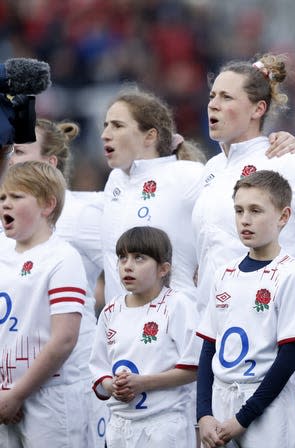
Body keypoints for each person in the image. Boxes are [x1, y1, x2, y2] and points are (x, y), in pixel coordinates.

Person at [191, 52, 295, 442]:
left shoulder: (287, 161)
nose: (214, 104)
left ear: (258, 108)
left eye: (227, 97)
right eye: (212, 95)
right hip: (219, 339)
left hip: (273, 336)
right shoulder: (211, 170)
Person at [6, 118, 106, 446]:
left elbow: (138, 260)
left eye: (20, 151)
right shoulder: (8, 225)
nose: (11, 158)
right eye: (10, 151)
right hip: (11, 383)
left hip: (61, 380)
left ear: (49, 164)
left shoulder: (79, 213)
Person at [195, 170, 295, 448]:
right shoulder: (224, 273)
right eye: (239, 210)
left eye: (256, 210)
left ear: (283, 217)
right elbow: (209, 347)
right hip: (220, 404)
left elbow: (288, 357)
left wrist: (244, 417)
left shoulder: (291, 274)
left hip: (265, 410)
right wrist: (204, 414)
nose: (245, 219)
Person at [89, 226, 200, 447]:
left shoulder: (178, 305)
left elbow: (194, 367)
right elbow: (98, 369)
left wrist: (143, 383)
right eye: (122, 258)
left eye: (139, 258)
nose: (127, 266)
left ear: (163, 269)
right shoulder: (111, 311)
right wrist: (113, 386)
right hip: (119, 427)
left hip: (163, 426)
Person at [100, 89, 206, 309]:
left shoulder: (187, 175)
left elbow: (237, 211)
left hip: (175, 324)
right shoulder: (115, 182)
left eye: (117, 126)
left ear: (150, 136)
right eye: (106, 125)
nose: (105, 134)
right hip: (120, 326)